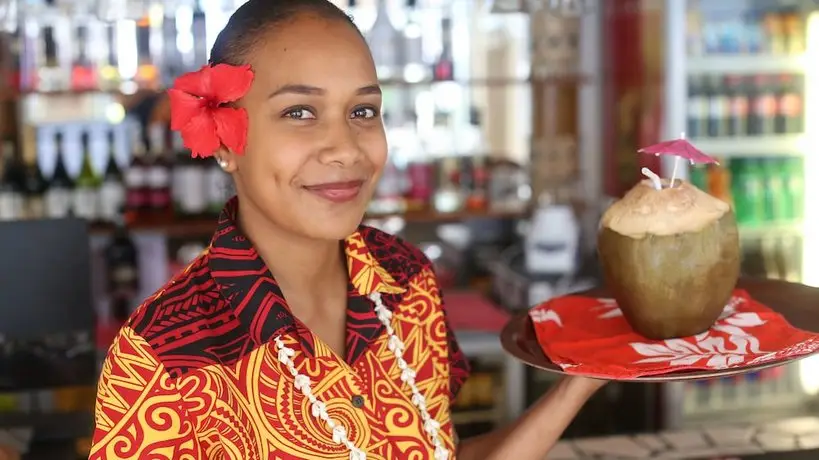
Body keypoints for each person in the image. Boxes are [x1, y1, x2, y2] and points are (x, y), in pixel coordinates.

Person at [88, 1, 606, 459]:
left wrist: (578, 385)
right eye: (299, 111)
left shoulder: (407, 283)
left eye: (363, 110)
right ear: (223, 140)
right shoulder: (162, 358)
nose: (346, 148)